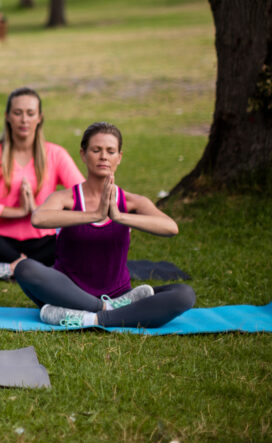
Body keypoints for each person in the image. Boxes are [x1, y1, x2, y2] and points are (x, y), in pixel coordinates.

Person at [13, 122, 196, 328]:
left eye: (110, 151)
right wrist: (94, 214)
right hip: (67, 294)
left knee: (184, 295)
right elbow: (39, 218)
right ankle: (109, 311)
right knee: (25, 269)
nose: (103, 156)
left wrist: (119, 217)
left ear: (119, 157)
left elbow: (171, 227)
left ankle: (94, 318)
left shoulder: (133, 201)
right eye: (96, 150)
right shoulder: (66, 198)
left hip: (121, 295)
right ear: (83, 155)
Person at [0, 87, 83, 279]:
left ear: (39, 117)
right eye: (18, 113)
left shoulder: (55, 154)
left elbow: (83, 196)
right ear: (7, 116)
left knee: (80, 228)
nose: (24, 119)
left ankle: (10, 269)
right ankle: (25, 266)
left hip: (45, 243)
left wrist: (38, 210)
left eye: (30, 113)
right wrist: (19, 211)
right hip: (3, 244)